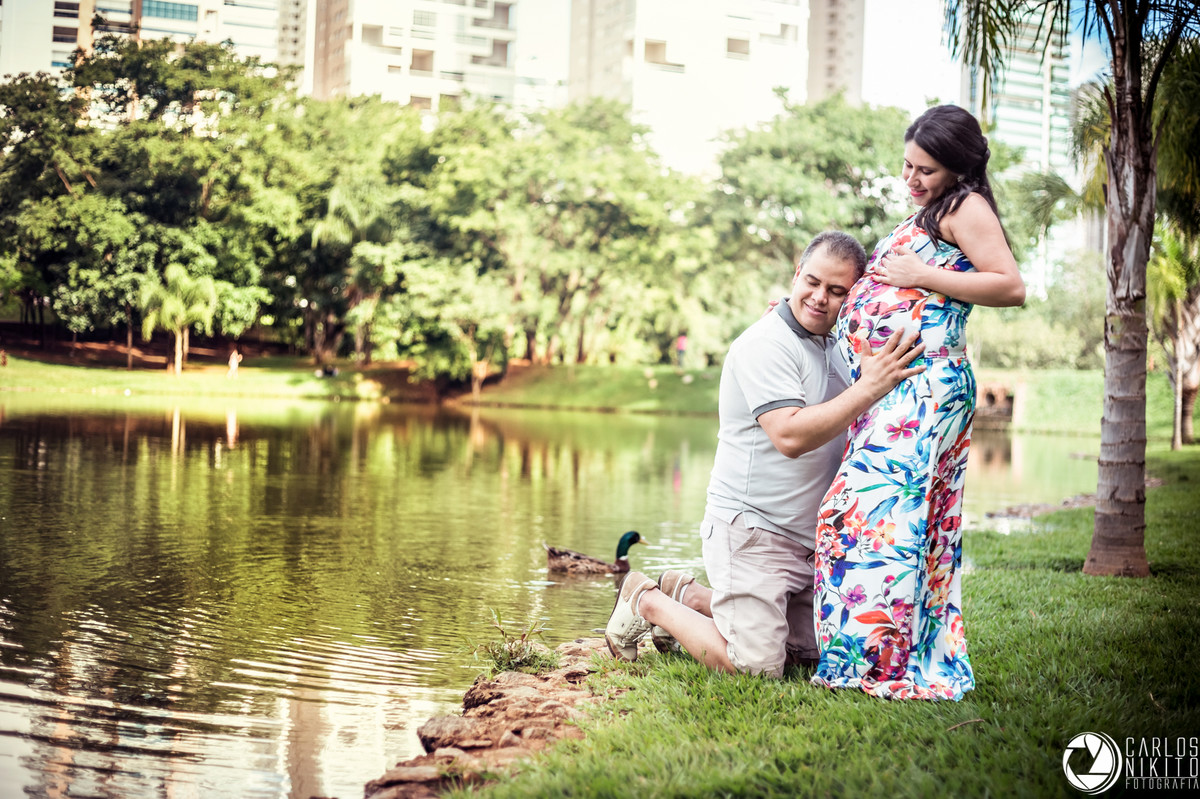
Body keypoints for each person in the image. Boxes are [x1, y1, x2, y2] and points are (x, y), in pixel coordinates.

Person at [605, 231, 926, 678]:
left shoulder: (837, 343)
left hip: (809, 543)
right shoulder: (764, 344)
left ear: (852, 296)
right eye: (811, 282)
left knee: (810, 658)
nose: (819, 298)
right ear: (796, 274)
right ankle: (646, 598)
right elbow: (790, 436)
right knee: (756, 668)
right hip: (754, 531)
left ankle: (688, 593)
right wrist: (868, 388)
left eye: (837, 292)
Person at [811, 105, 1026, 701]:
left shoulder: (966, 207)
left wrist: (923, 275)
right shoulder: (937, 208)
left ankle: (878, 663)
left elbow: (1009, 285)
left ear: (957, 168)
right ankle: (874, 657)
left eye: (925, 169)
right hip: (899, 390)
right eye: (907, 164)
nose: (911, 177)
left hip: (922, 392)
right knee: (881, 520)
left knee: (879, 520)